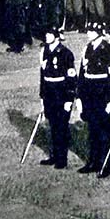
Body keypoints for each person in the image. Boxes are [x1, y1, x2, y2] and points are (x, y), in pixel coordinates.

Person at [76, 22, 110, 178]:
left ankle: (105, 164)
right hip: (89, 95)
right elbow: (82, 73)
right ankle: (93, 161)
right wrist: (79, 96)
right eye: (88, 30)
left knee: (104, 132)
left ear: (100, 33)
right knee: (92, 131)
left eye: (92, 31)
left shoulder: (109, 50)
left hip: (103, 95)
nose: (89, 33)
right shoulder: (87, 48)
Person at [39, 28, 77, 169]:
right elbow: (42, 76)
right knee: (52, 126)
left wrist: (69, 98)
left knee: (61, 126)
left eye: (50, 35)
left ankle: (62, 158)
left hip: (61, 93)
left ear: (56, 37)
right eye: (46, 34)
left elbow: (71, 77)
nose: (47, 37)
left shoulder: (66, 53)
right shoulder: (45, 51)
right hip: (49, 92)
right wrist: (42, 96)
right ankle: (54, 155)